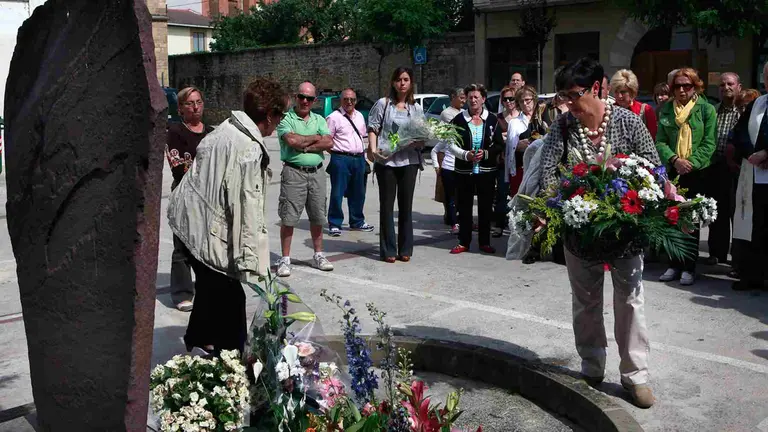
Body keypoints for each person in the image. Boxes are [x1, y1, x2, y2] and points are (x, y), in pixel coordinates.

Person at [538, 57, 661, 409]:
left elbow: (653, 168)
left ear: (595, 88)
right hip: (579, 233)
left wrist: (627, 196)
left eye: (573, 95)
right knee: (586, 300)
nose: (568, 104)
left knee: (630, 301)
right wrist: (568, 198)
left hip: (625, 231)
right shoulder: (561, 127)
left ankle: (635, 375)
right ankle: (592, 364)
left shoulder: (628, 121)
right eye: (562, 96)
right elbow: (549, 175)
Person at [167, 77, 288, 355]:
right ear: (269, 116)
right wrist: (249, 263)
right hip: (201, 227)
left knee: (211, 289)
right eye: (280, 115)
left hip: (188, 221)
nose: (280, 123)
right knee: (231, 298)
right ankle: (232, 363)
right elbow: (245, 209)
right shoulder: (248, 149)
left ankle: (196, 337)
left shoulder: (227, 128)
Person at [656, 68, 717, 286]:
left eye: (687, 85)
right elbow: (660, 141)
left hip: (697, 172)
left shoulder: (707, 109)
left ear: (696, 87)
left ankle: (689, 267)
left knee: (691, 221)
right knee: (672, 218)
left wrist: (689, 164)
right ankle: (674, 264)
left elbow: (710, 143)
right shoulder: (666, 110)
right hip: (674, 171)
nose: (682, 90)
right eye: (677, 86)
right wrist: (674, 160)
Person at [275, 82, 335, 277]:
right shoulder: (286, 119)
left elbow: (329, 142)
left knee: (318, 216)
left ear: (314, 100)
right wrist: (315, 138)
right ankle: (285, 259)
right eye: (301, 96)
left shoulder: (319, 119)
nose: (305, 101)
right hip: (294, 173)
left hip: (317, 172)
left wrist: (305, 145)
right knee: (289, 217)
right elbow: (292, 141)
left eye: (309, 98)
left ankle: (318, 254)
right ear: (295, 97)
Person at [367, 67, 425, 263]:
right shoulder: (383, 104)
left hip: (409, 161)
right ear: (393, 82)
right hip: (387, 161)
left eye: (406, 79)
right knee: (387, 206)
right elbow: (373, 128)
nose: (402, 83)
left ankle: (406, 248)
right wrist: (374, 151)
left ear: (411, 83)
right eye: (399, 79)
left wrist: (418, 142)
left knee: (406, 206)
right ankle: (388, 250)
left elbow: (422, 135)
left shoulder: (416, 108)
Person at [165, 86, 214, 312]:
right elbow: (179, 168)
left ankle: (207, 289)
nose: (195, 107)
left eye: (198, 102)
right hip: (185, 194)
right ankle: (182, 292)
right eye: (189, 103)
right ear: (181, 108)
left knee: (208, 246)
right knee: (183, 245)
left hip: (209, 196)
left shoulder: (212, 132)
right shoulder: (175, 132)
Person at [446, 84, 504, 254]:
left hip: (487, 172)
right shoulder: (458, 120)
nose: (472, 100)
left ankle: (484, 242)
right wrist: (466, 155)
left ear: (483, 99)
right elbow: (450, 144)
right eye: (470, 97)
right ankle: (463, 242)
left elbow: (499, 145)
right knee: (464, 208)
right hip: (464, 171)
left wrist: (485, 153)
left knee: (485, 208)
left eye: (476, 97)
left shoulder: (492, 120)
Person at [730, 62, 768, 291]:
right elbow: (740, 131)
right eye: (766, 75)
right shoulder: (758, 103)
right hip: (754, 175)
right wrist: (751, 153)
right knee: (756, 226)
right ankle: (753, 275)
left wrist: (767, 153)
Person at [704, 73, 742, 266]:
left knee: (738, 212)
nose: (726, 87)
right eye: (722, 85)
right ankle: (716, 253)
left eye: (730, 84)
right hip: (716, 166)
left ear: (739, 87)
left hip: (738, 168)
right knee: (717, 212)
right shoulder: (714, 110)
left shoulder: (744, 111)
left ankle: (738, 257)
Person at [325, 88, 375, 238]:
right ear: (341, 100)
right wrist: (337, 155)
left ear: (355, 101)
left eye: (352, 99)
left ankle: (357, 221)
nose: (349, 102)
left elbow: (363, 136)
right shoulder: (333, 117)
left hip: (359, 158)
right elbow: (327, 140)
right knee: (337, 192)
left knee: (358, 192)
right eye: (346, 99)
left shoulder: (359, 116)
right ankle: (334, 223)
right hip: (341, 158)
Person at [431, 87, 466, 234]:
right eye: (461, 98)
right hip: (446, 155)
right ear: (453, 98)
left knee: (459, 192)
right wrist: (436, 165)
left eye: (465, 98)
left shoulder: (463, 113)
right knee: (446, 191)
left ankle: (457, 215)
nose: (464, 101)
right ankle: (450, 216)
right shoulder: (448, 113)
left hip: (459, 156)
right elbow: (457, 127)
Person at [505, 85, 547, 201]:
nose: (525, 103)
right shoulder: (514, 123)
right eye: (521, 101)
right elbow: (510, 150)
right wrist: (518, 145)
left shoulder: (542, 121)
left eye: (528, 100)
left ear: (534, 100)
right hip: (521, 169)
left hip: (541, 169)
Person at [491, 86, 519, 237]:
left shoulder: (522, 117)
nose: (508, 102)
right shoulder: (498, 118)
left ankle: (517, 225)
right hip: (502, 161)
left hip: (519, 161)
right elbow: (493, 140)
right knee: (502, 193)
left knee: (518, 194)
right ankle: (499, 224)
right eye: (505, 99)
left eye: (511, 98)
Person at [610, 69, 658, 139]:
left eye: (623, 92)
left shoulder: (646, 110)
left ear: (632, 91)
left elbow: (652, 139)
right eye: (616, 92)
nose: (619, 96)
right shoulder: (609, 110)